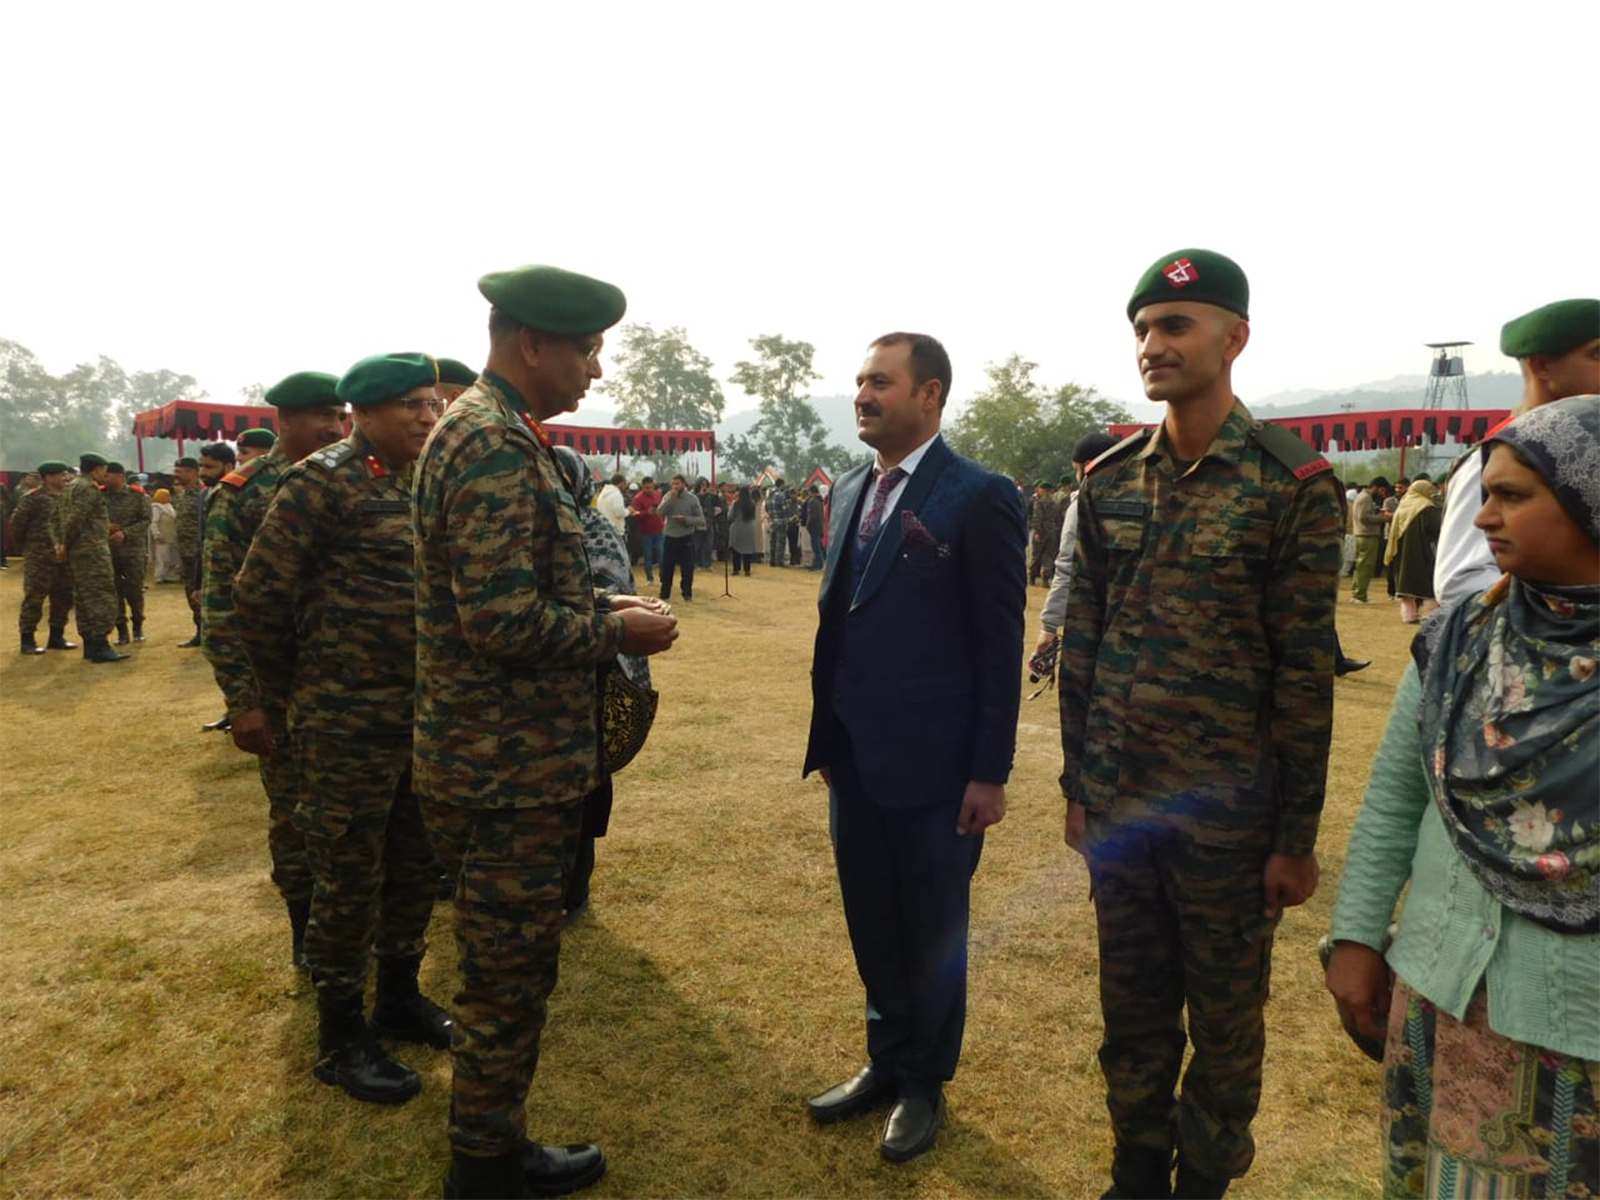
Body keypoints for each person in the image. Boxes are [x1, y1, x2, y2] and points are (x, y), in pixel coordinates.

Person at [1059, 250, 1341, 1199]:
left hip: (1230, 824)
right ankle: (1136, 1171)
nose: (1153, 345)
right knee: (1131, 1011)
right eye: (1142, 329)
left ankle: (1204, 1181)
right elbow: (1083, 652)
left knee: (1226, 1024)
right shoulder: (1107, 481)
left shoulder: (1292, 485)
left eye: (1176, 326)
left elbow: (1305, 674)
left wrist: (1295, 839)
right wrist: (1076, 788)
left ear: (1235, 338)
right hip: (1123, 808)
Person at [412, 264, 678, 1199]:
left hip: (504, 758)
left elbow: (509, 589)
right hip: (504, 770)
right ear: (533, 343)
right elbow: (497, 623)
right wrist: (617, 630)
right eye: (587, 349)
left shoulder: (497, 435)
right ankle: (484, 1169)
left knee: (509, 971)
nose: (596, 370)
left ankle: (492, 1146)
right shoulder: (489, 442)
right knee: (503, 980)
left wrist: (602, 596)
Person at [1325, 394, 1599, 1200]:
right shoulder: (1458, 639)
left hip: (1575, 1019)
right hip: (1440, 988)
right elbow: (1392, 800)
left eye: (1513, 496)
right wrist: (1356, 940)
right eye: (1485, 494)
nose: (1483, 520)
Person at [802, 331, 1025, 1164]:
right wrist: (829, 734)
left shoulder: (979, 494)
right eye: (859, 381)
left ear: (930, 394)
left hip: (938, 770)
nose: (863, 395)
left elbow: (999, 644)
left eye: (881, 383)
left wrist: (987, 773)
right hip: (855, 757)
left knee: (931, 927)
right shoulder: (852, 485)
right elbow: (841, 621)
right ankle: (886, 1058)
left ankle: (925, 1081)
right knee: (871, 916)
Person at [235, 355, 450, 1107]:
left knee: (415, 865)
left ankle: (398, 995)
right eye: (411, 407)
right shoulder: (320, 481)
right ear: (363, 412)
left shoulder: (427, 478)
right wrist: (292, 689)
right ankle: (339, 1036)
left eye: (432, 404)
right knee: (347, 879)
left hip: (419, 719)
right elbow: (256, 594)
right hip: (342, 725)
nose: (428, 417)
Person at [201, 371, 347, 969]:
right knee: (295, 818)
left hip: (358, 688)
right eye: (321, 417)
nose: (335, 428)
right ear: (284, 421)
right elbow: (220, 606)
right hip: (283, 693)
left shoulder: (358, 479)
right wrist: (243, 701)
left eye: (340, 417)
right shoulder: (242, 494)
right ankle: (305, 934)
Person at [550, 445, 660, 918]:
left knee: (586, 785)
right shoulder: (542, 529)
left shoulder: (592, 529)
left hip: (593, 674)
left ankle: (576, 890)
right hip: (549, 674)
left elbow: (614, 593)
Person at [1435, 298, 1600, 606]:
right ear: (1542, 367)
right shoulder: (1493, 459)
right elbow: (1460, 580)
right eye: (1597, 354)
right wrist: (1563, 610)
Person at [1034, 432, 1119, 665]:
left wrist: (1049, 625)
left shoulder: (1084, 503)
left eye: (1076, 468)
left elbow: (1068, 565)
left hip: (1090, 620)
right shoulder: (1148, 496)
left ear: (1088, 466)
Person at [50, 453, 128, 663]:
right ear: (96, 469)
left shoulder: (69, 487)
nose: (106, 474)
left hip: (78, 552)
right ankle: (100, 645)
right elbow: (76, 519)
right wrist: (65, 543)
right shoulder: (88, 489)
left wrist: (60, 543)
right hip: (91, 551)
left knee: (84, 598)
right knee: (100, 596)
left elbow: (55, 518)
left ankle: (91, 646)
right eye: (104, 469)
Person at [11, 462, 75, 654]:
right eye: (61, 475)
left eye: (66, 474)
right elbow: (16, 525)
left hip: (63, 556)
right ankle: (28, 639)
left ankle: (56, 637)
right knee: (34, 598)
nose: (66, 478)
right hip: (39, 557)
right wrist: (27, 548)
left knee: (63, 597)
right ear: (47, 477)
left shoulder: (68, 497)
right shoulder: (33, 498)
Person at [101, 462, 152, 645]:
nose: (104, 479)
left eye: (108, 476)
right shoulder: (99, 495)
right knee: (113, 592)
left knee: (134, 591)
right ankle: (121, 630)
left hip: (133, 551)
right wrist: (104, 528)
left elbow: (146, 520)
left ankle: (138, 626)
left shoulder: (137, 496)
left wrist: (126, 532)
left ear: (120, 476)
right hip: (107, 551)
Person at [1384, 476, 1442, 623]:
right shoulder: (1427, 506)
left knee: (1406, 585)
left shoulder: (1403, 506)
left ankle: (1409, 616)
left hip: (1401, 551)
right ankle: (1430, 615)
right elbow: (1436, 528)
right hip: (1422, 551)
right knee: (1427, 585)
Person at [171, 456, 204, 645]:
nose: (175, 475)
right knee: (191, 593)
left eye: (179, 471)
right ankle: (199, 631)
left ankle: (208, 633)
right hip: (186, 554)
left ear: (191, 472)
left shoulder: (203, 493)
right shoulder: (182, 496)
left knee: (202, 594)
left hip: (199, 554)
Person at [657, 473, 706, 601]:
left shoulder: (692, 499)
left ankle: (687, 594)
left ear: (684, 484)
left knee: (688, 567)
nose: (675, 486)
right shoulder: (668, 496)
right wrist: (670, 500)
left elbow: (701, 520)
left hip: (686, 537)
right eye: (673, 484)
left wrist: (686, 520)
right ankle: (664, 594)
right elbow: (659, 512)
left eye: (677, 483)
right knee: (667, 567)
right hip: (670, 536)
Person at [1350, 477, 1391, 604]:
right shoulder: (1365, 498)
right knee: (1365, 567)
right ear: (1375, 487)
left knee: (1362, 566)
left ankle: (1358, 593)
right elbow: (1363, 517)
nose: (1382, 493)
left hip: (1364, 535)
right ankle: (1359, 595)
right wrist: (1383, 518)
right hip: (1366, 536)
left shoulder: (1363, 497)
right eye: (1381, 490)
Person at [630, 477, 664, 582]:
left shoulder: (658, 495)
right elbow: (634, 515)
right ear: (642, 487)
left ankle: (663, 576)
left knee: (661, 553)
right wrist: (646, 512)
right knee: (648, 556)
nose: (649, 489)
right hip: (646, 531)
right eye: (646, 487)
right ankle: (649, 577)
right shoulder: (638, 499)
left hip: (659, 529)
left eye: (651, 487)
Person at [150, 487, 180, 582]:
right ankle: (159, 576)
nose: (169, 497)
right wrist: (157, 535)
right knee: (161, 557)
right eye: (167, 495)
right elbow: (154, 522)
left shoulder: (169, 506)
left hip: (172, 534)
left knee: (171, 557)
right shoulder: (156, 507)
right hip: (162, 535)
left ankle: (169, 576)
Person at [728, 485, 760, 574]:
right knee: (747, 550)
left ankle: (736, 569)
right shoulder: (752, 504)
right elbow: (754, 517)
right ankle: (747, 570)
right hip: (749, 529)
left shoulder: (736, 503)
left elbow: (730, 517)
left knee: (736, 550)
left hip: (737, 528)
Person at [764, 476, 793, 566]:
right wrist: (789, 513)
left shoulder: (770, 495)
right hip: (781, 520)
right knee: (780, 542)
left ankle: (772, 561)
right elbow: (785, 509)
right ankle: (779, 561)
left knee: (773, 541)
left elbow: (766, 508)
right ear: (781, 484)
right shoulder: (780, 495)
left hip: (772, 520)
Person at [694, 478, 719, 569]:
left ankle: (707, 563)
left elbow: (717, 504)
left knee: (708, 544)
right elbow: (696, 506)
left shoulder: (710, 496)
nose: (704, 486)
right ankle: (699, 563)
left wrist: (715, 495)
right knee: (698, 544)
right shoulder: (695, 496)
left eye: (705, 484)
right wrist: (701, 495)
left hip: (709, 522)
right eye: (702, 484)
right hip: (698, 523)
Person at [804, 482, 827, 570]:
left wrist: (808, 525)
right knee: (819, 546)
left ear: (811, 492)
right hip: (820, 526)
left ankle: (817, 564)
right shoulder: (820, 501)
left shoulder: (812, 501)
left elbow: (811, 516)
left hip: (814, 527)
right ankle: (819, 563)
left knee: (815, 547)